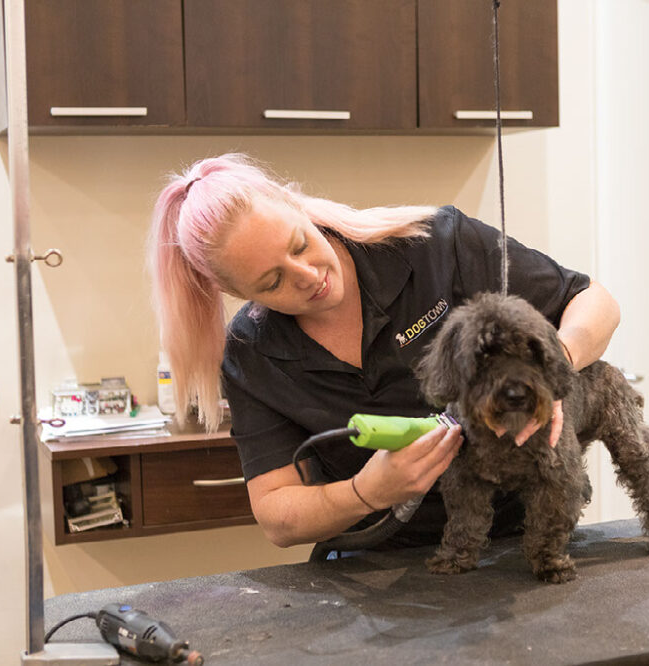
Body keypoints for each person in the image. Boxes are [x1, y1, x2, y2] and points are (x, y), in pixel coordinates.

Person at [148, 153, 620, 551]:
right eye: (272, 282)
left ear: (299, 208)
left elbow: (594, 301)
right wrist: (366, 492)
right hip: (373, 561)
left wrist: (555, 364)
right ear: (234, 291)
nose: (308, 276)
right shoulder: (252, 354)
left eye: (301, 244)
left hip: (515, 539)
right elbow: (277, 516)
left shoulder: (436, 245)